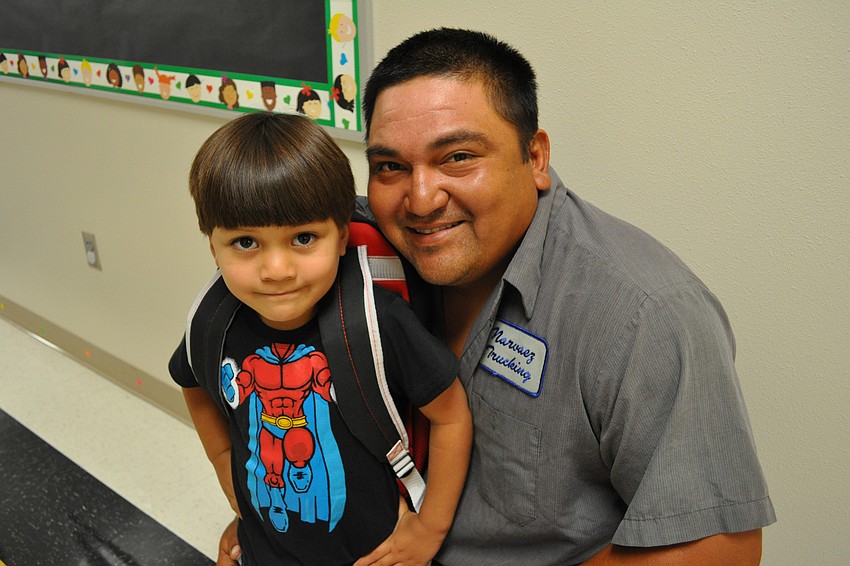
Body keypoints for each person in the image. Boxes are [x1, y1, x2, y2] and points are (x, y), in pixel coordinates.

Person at [220, 28, 776, 565]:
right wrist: (273, 520)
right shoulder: (351, 251)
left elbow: (718, 549)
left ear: (534, 157)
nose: (420, 199)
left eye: (458, 157)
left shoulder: (642, 315)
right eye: (390, 166)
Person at [169, 111, 471, 566]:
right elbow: (191, 381)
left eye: (304, 238)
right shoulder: (214, 324)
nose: (277, 271)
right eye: (246, 243)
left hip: (372, 554)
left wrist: (430, 529)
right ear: (214, 246)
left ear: (342, 236)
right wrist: (222, 463)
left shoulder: (376, 322)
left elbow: (452, 417)